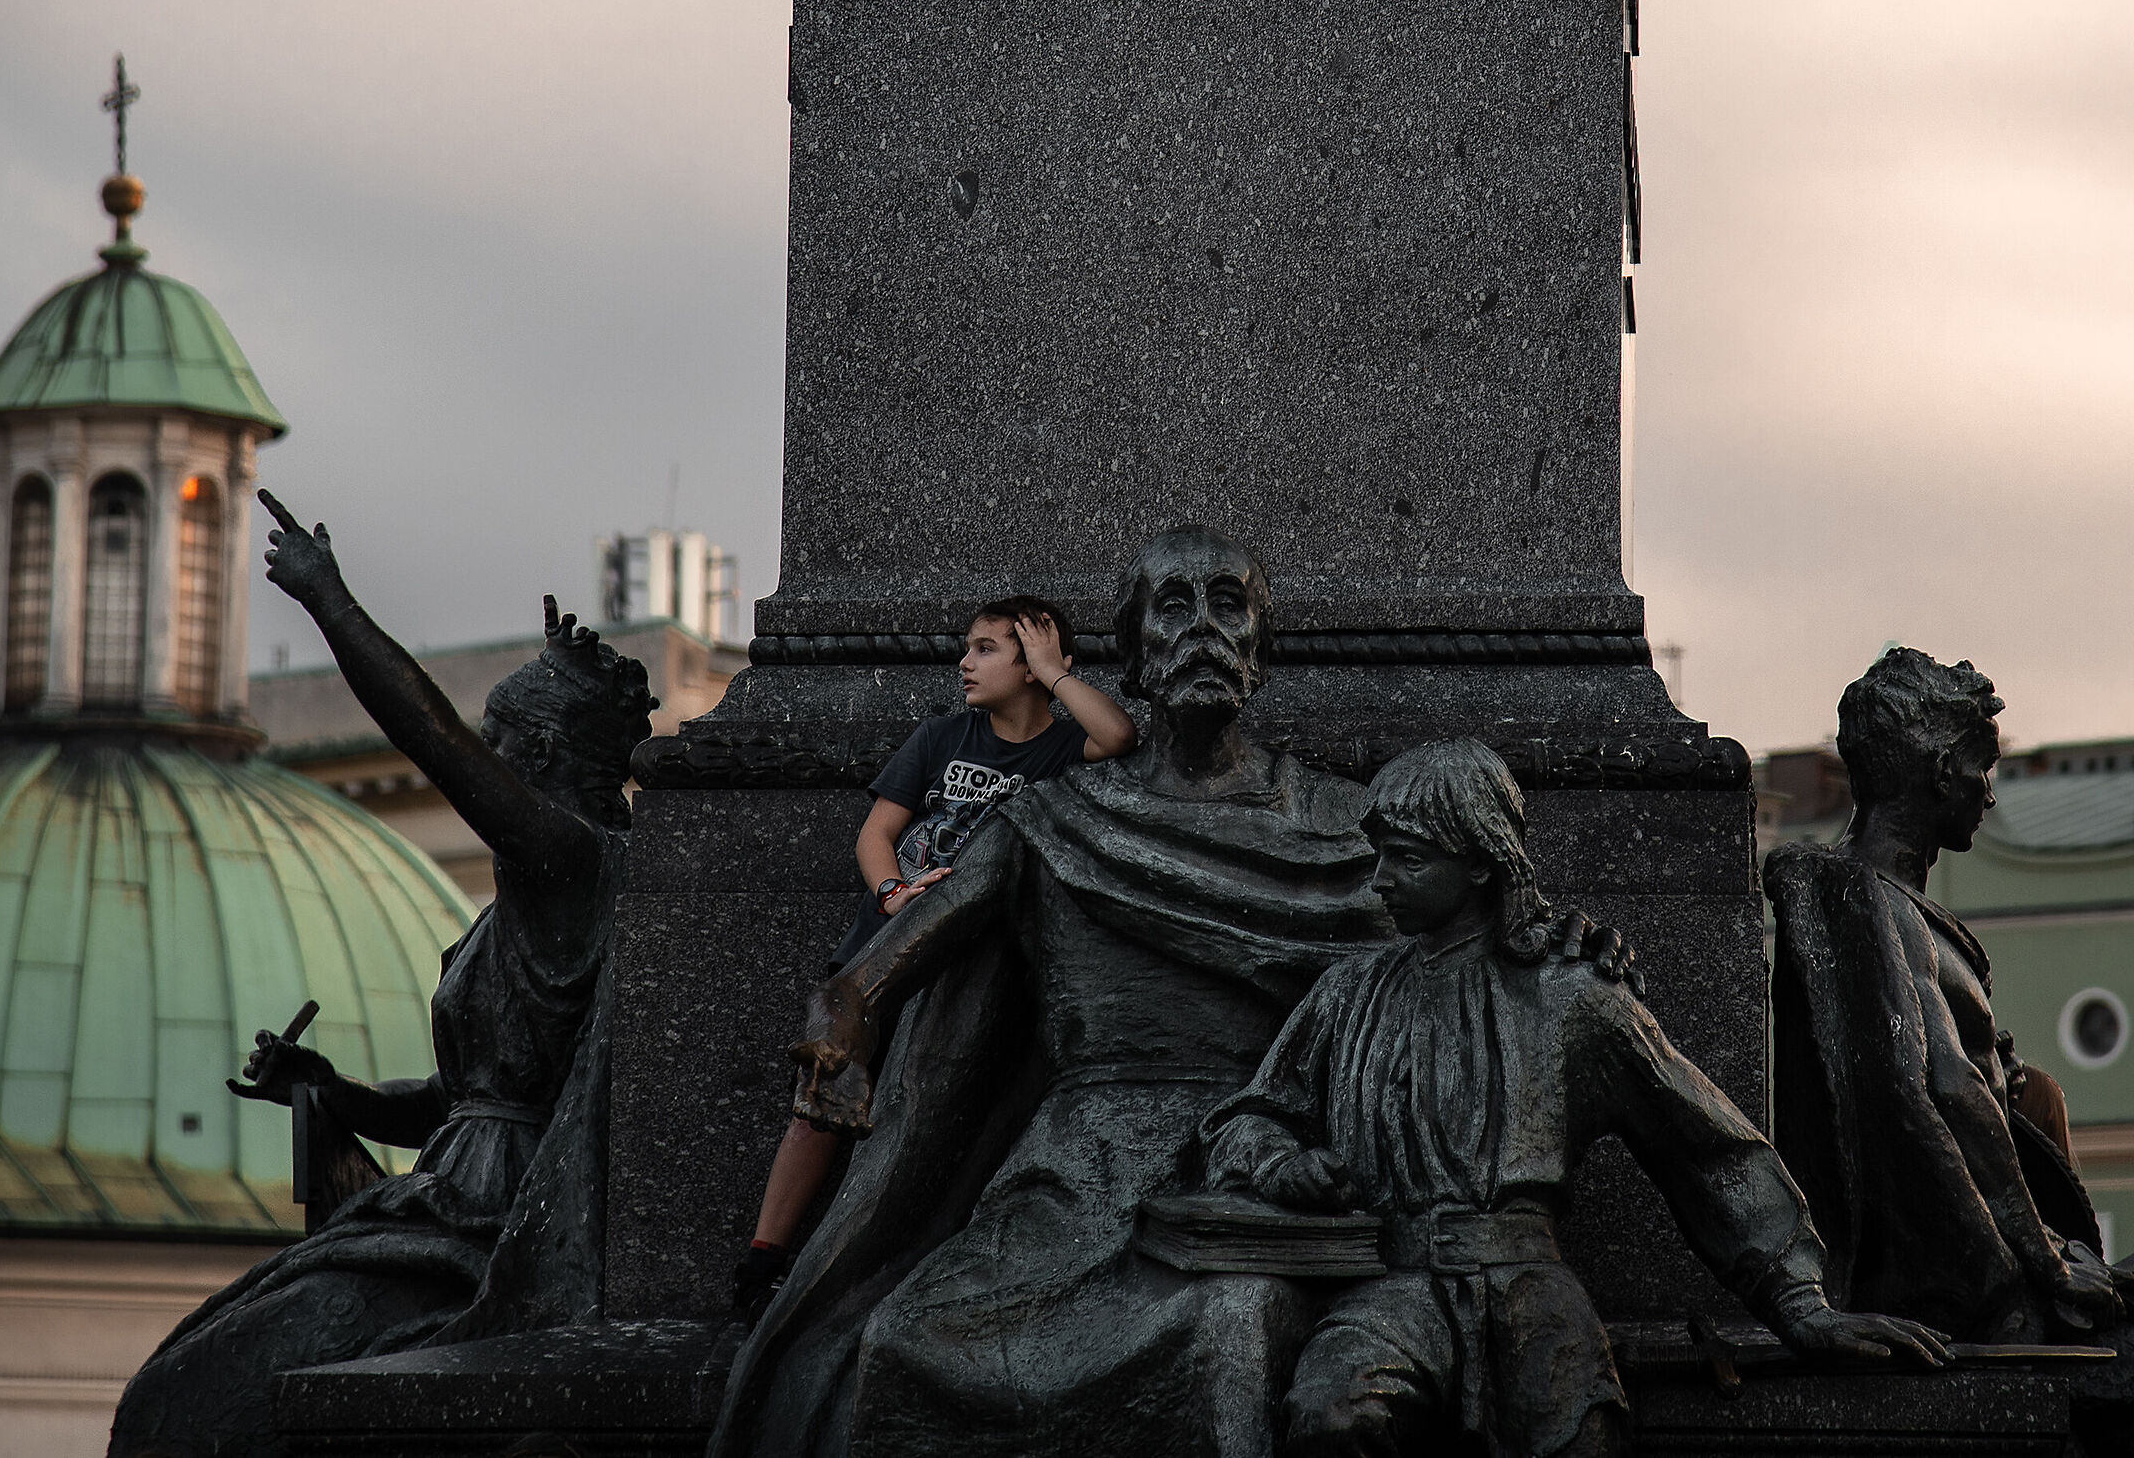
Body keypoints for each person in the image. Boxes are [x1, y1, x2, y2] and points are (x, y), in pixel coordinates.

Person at [711, 527, 1392, 1458]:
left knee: (1233, 1326)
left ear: (1261, 650)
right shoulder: (1050, 819)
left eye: (1228, 605)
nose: (1202, 629)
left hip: (1251, 1157)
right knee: (905, 1343)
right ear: (1135, 655)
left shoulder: (1347, 822)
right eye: (1173, 607)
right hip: (1072, 1178)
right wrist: (840, 1034)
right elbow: (869, 975)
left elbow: (1456, 942)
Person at [1203, 740, 1951, 1458]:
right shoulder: (1349, 995)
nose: (1380, 881)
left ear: (1479, 864)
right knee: (1330, 1416)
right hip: (1391, 1287)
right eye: (1381, 857)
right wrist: (1280, 1165)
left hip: (1530, 1287)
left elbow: (1707, 1148)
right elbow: (1248, 1118)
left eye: (1408, 859)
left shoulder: (1574, 997)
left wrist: (1801, 1305)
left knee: (1582, 1430)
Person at [109, 492, 657, 1458]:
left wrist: (331, 604)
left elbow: (430, 740)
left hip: (508, 1222)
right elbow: (459, 1101)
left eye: (500, 743)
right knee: (194, 1368)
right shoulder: (515, 913)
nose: (484, 759)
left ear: (541, 757)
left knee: (212, 1389)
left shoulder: (576, 867)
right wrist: (334, 1092)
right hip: (452, 1192)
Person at [733, 595, 1137, 1317]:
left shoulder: (1054, 750)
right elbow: (874, 834)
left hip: (972, 970)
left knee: (913, 1119)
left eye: (986, 648)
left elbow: (1119, 734)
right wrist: (891, 892)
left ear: (1033, 663)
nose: (965, 661)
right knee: (820, 1099)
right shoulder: (942, 736)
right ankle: (762, 1263)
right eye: (968, 646)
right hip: (886, 943)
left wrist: (1053, 670)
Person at [1766, 648, 2124, 1346]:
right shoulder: (1870, 900)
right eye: (1980, 768)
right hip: (1966, 1284)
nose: (1989, 793)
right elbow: (1946, 1085)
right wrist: (2044, 1264)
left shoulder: (1892, 907)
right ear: (1939, 773)